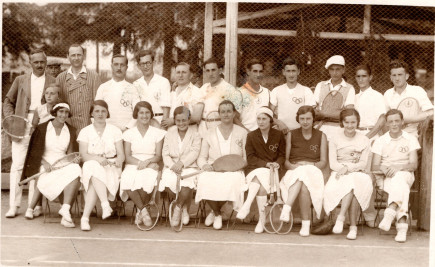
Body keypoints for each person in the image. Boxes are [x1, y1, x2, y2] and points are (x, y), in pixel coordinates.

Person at [3, 49, 56, 218]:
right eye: (36, 62)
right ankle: (14, 205)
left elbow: (57, 104)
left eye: (42, 62)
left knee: (36, 166)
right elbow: (8, 101)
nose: (39, 65)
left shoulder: (52, 80)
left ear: (46, 63)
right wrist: (11, 120)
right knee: (17, 166)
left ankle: (33, 206)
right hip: (21, 126)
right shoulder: (20, 80)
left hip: (42, 127)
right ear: (30, 63)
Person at [21, 103, 81, 228]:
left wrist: (73, 159)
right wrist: (45, 163)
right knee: (44, 174)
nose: (63, 115)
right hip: (43, 160)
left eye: (66, 112)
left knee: (76, 169)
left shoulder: (70, 130)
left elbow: (69, 153)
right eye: (61, 112)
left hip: (62, 162)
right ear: (55, 112)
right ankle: (31, 208)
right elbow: (34, 152)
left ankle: (65, 208)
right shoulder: (42, 128)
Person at [196, 100, 248, 230]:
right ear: (219, 114)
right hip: (213, 169)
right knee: (204, 179)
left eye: (229, 111)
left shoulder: (242, 132)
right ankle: (218, 214)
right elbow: (202, 157)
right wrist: (205, 166)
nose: (226, 114)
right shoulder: (209, 132)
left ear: (234, 113)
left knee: (232, 181)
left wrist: (237, 166)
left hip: (234, 170)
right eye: (223, 112)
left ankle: (214, 211)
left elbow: (246, 158)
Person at [371, 109, 420, 243]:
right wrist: (383, 167)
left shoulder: (411, 139)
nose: (394, 124)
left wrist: (398, 168)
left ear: (402, 122)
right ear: (386, 124)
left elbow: (414, 165)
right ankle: (402, 227)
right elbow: (374, 167)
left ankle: (390, 211)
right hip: (386, 177)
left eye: (397, 121)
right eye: (390, 121)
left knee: (399, 179)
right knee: (400, 187)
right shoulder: (380, 141)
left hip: (406, 174)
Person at [323, 109, 372, 240]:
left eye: (353, 122)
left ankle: (341, 217)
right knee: (351, 184)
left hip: (359, 173)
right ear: (342, 123)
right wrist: (344, 169)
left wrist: (348, 168)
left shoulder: (364, 139)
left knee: (355, 182)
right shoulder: (335, 139)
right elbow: (333, 163)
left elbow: (363, 163)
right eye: (347, 122)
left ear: (357, 122)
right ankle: (353, 227)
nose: (350, 125)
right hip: (339, 173)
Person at [279, 106, 328, 237]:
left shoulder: (321, 135)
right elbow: (286, 162)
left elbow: (323, 162)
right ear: (298, 120)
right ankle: (305, 224)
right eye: (302, 119)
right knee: (304, 184)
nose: (305, 121)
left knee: (305, 176)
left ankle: (287, 207)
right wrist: (298, 168)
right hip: (294, 171)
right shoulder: (291, 134)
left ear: (313, 120)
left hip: (314, 170)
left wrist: (308, 164)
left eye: (308, 118)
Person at [236, 106, 285, 233]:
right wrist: (266, 164)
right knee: (259, 175)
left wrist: (276, 164)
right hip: (255, 169)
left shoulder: (278, 135)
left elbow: (282, 155)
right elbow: (251, 158)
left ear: (270, 120)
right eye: (259, 119)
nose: (261, 122)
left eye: (264, 119)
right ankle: (261, 220)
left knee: (261, 183)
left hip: (273, 171)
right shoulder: (251, 136)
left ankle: (248, 207)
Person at [77, 100, 125, 231]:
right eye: (97, 111)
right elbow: (83, 155)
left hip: (111, 167)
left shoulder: (115, 130)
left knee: (93, 181)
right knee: (92, 165)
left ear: (107, 113)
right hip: (92, 164)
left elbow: (121, 154)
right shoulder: (85, 131)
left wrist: (117, 161)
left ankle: (85, 218)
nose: (100, 114)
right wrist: (98, 159)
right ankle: (104, 204)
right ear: (91, 113)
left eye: (103, 111)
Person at [120, 101, 166, 227]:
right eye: (141, 113)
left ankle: (141, 211)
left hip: (151, 163)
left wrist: (148, 163)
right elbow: (127, 157)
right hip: (133, 163)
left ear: (151, 114)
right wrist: (141, 163)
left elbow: (158, 155)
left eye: (147, 113)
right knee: (126, 178)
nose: (144, 116)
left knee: (148, 178)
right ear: (136, 114)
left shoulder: (158, 133)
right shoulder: (128, 133)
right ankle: (144, 211)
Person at [353, 64, 387, 227]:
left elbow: (381, 121)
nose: (361, 79)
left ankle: (369, 214)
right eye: (358, 76)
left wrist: (367, 137)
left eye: (364, 76)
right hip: (356, 137)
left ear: (370, 77)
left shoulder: (377, 96)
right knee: (355, 175)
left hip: (371, 138)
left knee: (368, 175)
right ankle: (354, 213)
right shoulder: (354, 97)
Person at [161, 106, 201, 226]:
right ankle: (184, 207)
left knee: (187, 181)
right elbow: (165, 153)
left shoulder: (196, 134)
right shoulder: (169, 133)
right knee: (168, 180)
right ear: (175, 120)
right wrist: (173, 166)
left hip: (189, 166)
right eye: (178, 120)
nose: (181, 123)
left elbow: (195, 152)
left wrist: (182, 163)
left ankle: (178, 208)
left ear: (189, 120)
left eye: (184, 120)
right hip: (171, 166)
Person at [56, 44, 101, 132]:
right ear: (68, 56)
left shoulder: (94, 76)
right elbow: (58, 104)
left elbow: (97, 103)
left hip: (87, 125)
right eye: (73, 55)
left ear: (83, 56)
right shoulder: (60, 78)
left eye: (79, 55)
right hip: (67, 125)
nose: (76, 58)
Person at [383, 60, 433, 138]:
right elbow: (384, 117)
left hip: (415, 134)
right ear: (390, 77)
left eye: (400, 75)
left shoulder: (417, 90)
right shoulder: (387, 94)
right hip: (394, 135)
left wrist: (407, 120)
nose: (397, 78)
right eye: (394, 75)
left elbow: (431, 112)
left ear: (407, 76)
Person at [314, 55, 356, 140]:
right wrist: (337, 113)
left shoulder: (349, 88)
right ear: (328, 71)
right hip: (319, 127)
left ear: (343, 70)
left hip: (339, 129)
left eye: (338, 69)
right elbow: (314, 111)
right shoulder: (320, 85)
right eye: (332, 69)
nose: (334, 72)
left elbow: (347, 113)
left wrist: (323, 113)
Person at [198, 58, 243, 137]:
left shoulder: (230, 89)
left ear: (220, 70)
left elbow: (236, 116)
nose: (211, 73)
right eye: (207, 71)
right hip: (202, 129)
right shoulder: (203, 88)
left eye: (213, 70)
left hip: (219, 129)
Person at [270, 57, 316, 133]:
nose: (291, 74)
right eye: (288, 71)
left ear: (298, 72)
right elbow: (269, 114)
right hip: (282, 132)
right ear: (283, 72)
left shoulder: (306, 90)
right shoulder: (276, 90)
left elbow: (310, 115)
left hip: (300, 133)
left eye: (293, 71)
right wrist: (279, 123)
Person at [95, 54, 140, 131]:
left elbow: (137, 111)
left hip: (127, 132)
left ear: (126, 67)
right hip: (106, 131)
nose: (119, 68)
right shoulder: (103, 87)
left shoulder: (133, 88)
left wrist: (128, 128)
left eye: (122, 65)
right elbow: (96, 110)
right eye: (116, 64)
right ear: (112, 66)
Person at [133, 50, 171, 125]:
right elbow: (136, 108)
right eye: (142, 64)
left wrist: (163, 128)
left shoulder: (163, 82)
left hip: (159, 120)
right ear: (139, 66)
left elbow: (166, 109)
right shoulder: (136, 84)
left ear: (153, 63)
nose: (146, 66)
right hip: (142, 122)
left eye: (148, 63)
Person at [161, 62, 204, 128]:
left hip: (189, 131)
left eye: (184, 72)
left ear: (191, 75)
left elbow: (197, 117)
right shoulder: (171, 93)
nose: (180, 75)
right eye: (178, 72)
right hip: (171, 132)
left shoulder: (197, 92)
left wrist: (174, 121)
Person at [238, 59, 271, 132]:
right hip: (246, 134)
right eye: (255, 71)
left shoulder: (267, 92)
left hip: (263, 135)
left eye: (260, 71)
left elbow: (270, 115)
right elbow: (234, 118)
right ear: (248, 72)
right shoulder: (239, 93)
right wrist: (247, 132)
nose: (258, 75)